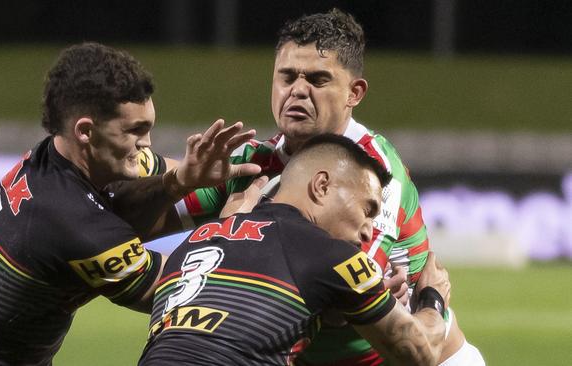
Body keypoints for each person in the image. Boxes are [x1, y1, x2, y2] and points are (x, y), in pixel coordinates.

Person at [144, 8, 484, 366]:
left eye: (318, 80)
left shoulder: (374, 174)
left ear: (354, 92)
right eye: (287, 77)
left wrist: (233, 233)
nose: (298, 92)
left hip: (410, 353)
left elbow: (337, 296)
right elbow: (142, 224)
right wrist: (176, 182)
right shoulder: (249, 163)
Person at [0, 42, 261, 365]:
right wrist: (232, 226)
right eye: (136, 130)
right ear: (86, 132)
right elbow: (187, 289)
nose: (145, 143)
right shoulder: (71, 221)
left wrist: (184, 181)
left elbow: (161, 184)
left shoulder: (55, 159)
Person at [139, 134, 451, 366]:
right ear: (322, 186)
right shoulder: (331, 255)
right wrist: (432, 300)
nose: (369, 229)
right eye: (367, 209)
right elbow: (418, 352)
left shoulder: (198, 240)